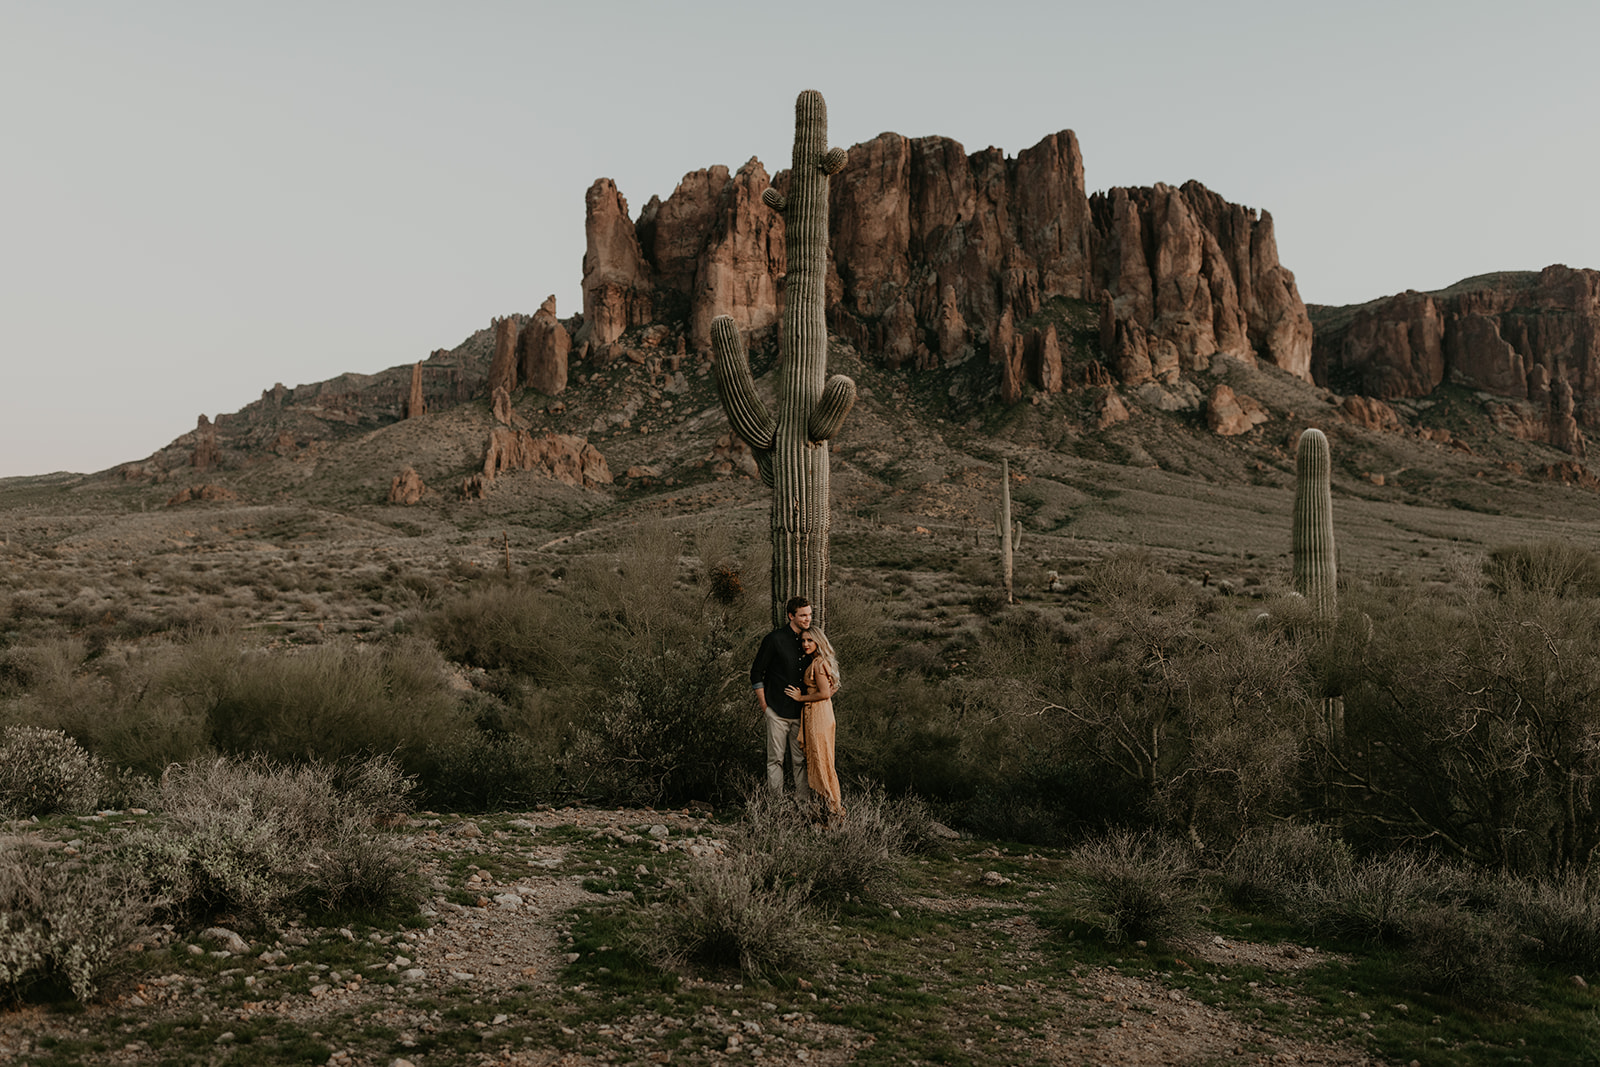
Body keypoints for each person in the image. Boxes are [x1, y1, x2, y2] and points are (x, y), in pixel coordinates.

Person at [749, 596, 812, 801]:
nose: (807, 619)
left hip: (801, 712)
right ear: (791, 616)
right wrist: (764, 706)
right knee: (775, 759)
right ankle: (776, 804)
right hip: (776, 710)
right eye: (803, 615)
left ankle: (802, 803)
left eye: (809, 614)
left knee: (800, 760)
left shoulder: (811, 640)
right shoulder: (774, 640)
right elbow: (756, 673)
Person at [785, 628, 844, 821]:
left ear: (819, 641)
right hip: (824, 713)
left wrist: (801, 697)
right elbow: (833, 688)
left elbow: (825, 693)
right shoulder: (822, 661)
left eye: (810, 640)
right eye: (803, 641)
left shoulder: (818, 664)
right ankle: (832, 808)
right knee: (825, 760)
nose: (805, 644)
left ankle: (832, 810)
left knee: (820, 760)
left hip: (818, 714)